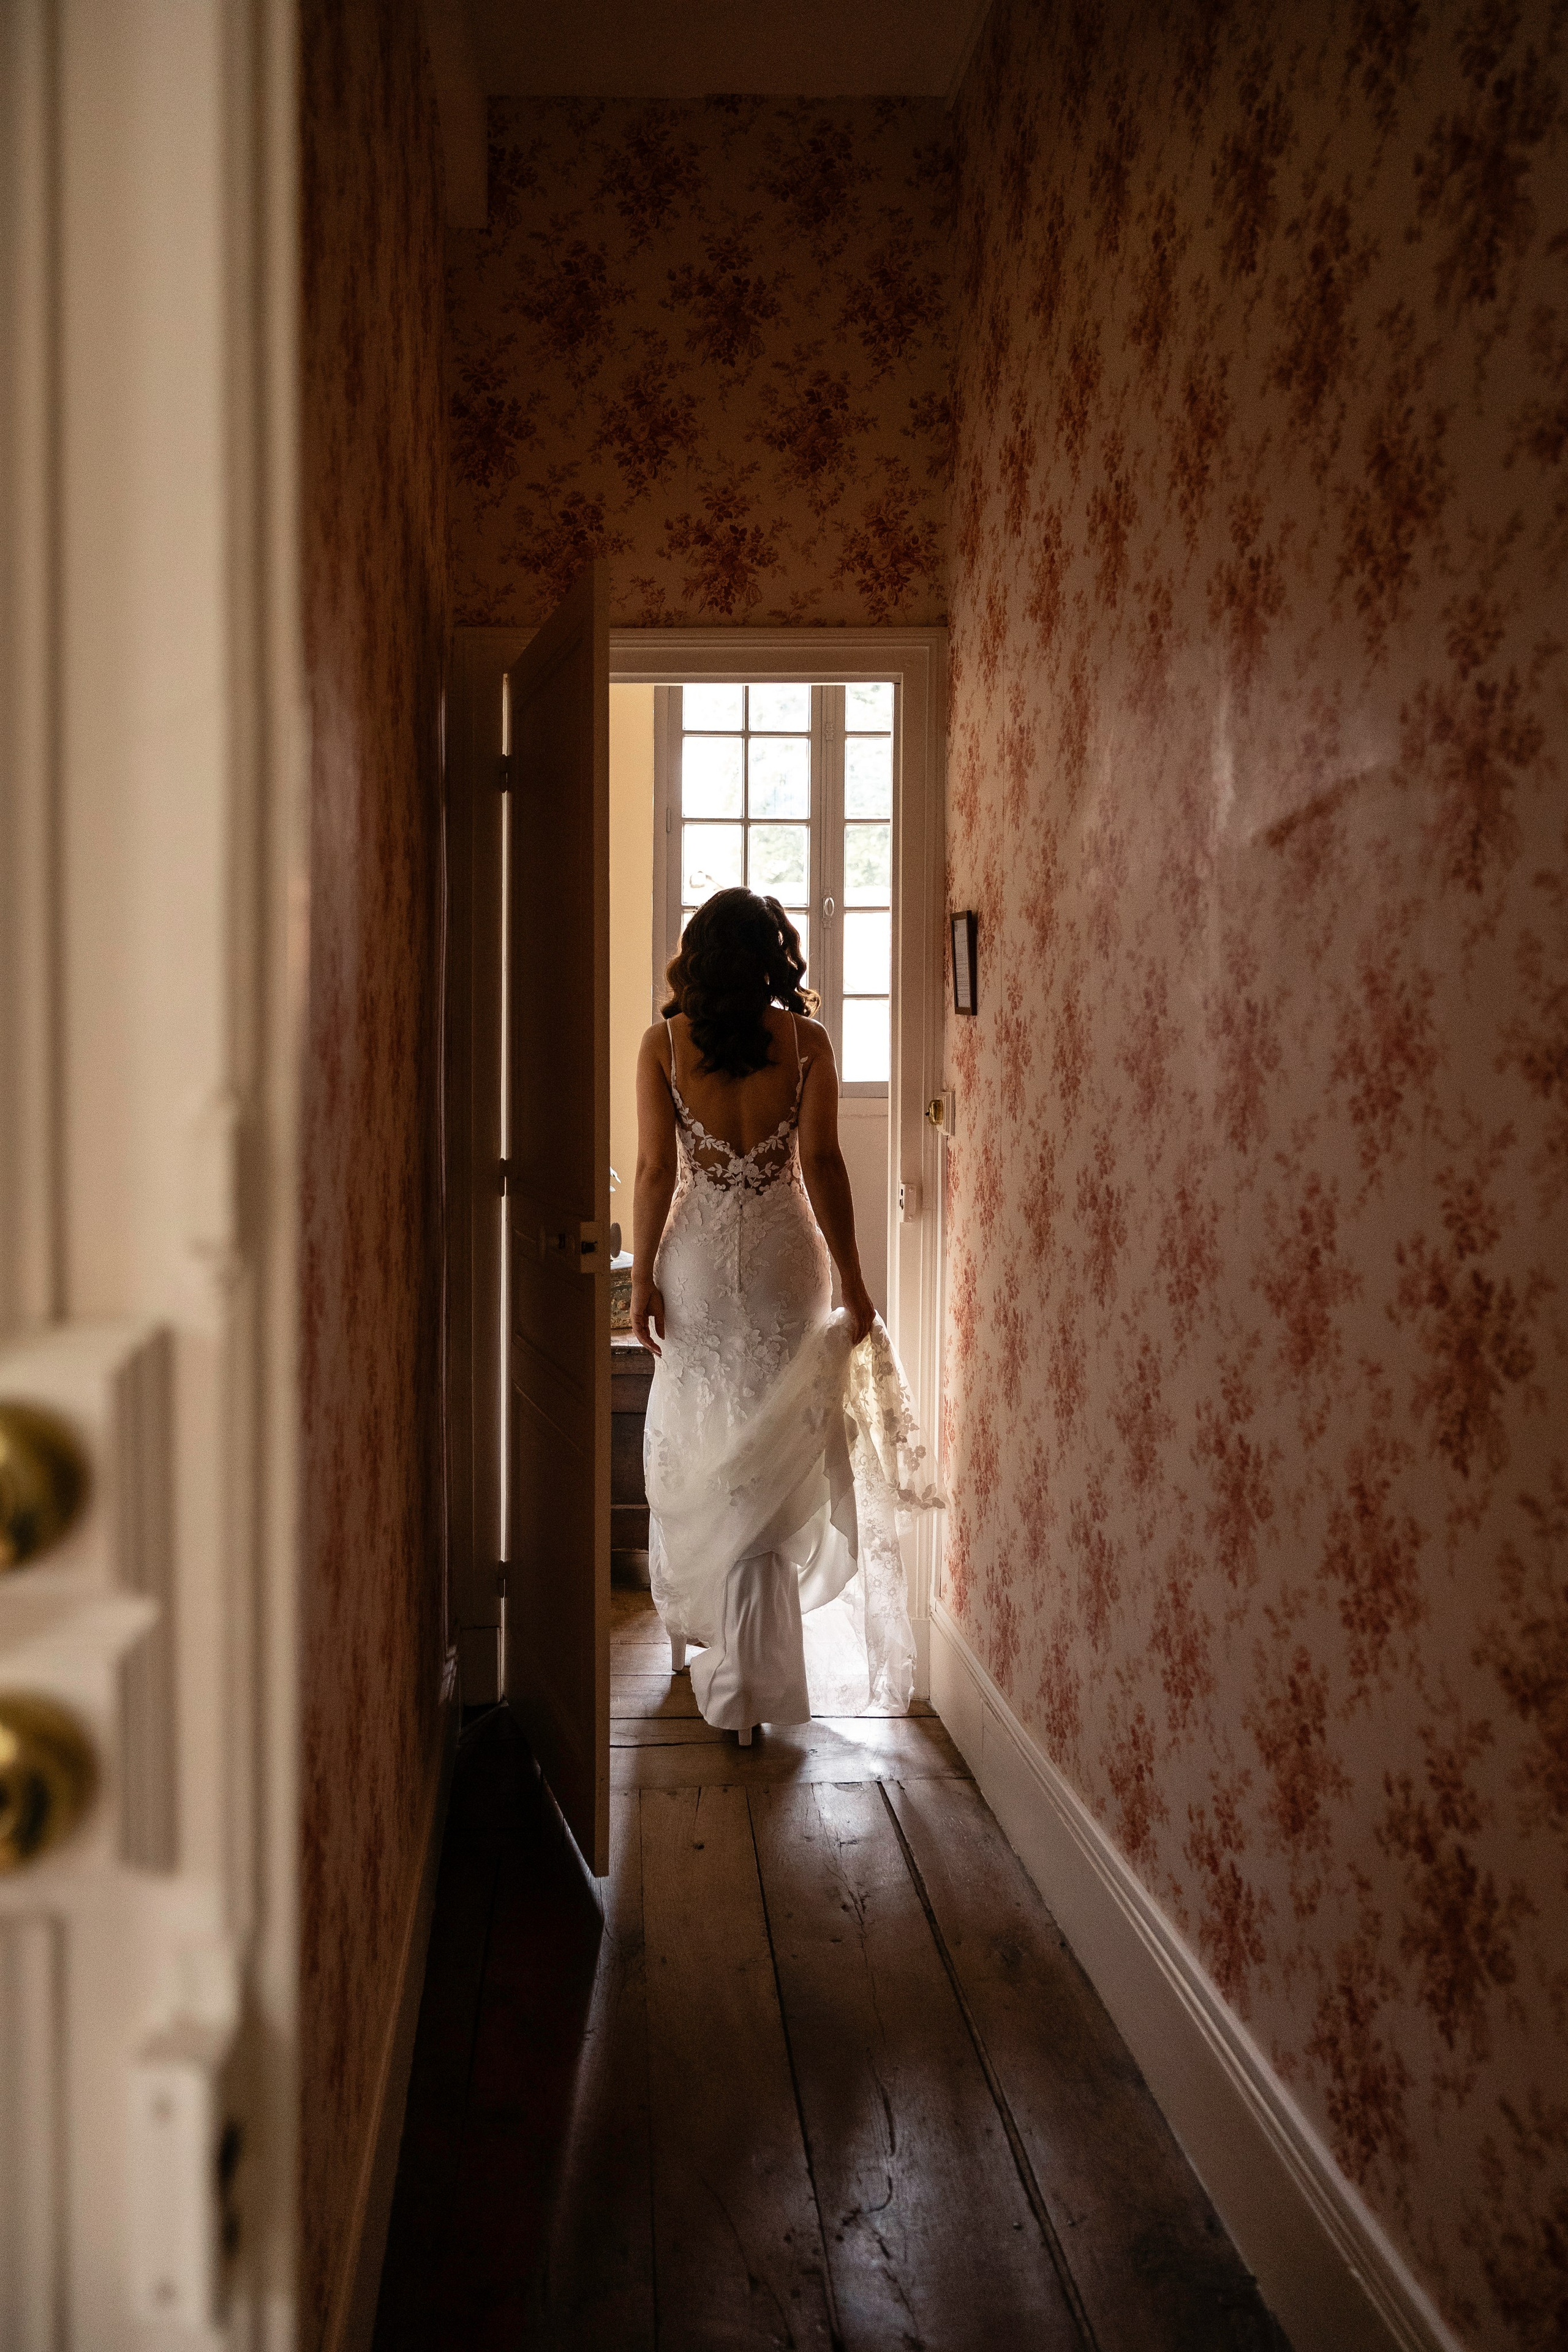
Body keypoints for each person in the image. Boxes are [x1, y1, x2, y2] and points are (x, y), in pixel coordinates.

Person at [631, 885, 941, 1744]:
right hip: (784, 1264)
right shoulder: (807, 1042)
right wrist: (854, 1280)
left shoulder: (664, 1044)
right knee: (774, 1446)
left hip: (697, 1262)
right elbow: (824, 1164)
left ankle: (716, 1647)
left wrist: (642, 1278)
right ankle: (759, 1677)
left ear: (697, 956)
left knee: (707, 1433)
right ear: (775, 957)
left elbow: (656, 1172)